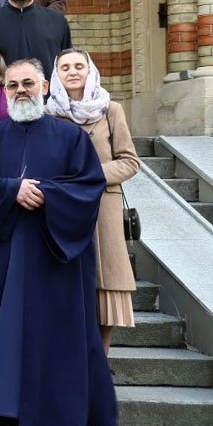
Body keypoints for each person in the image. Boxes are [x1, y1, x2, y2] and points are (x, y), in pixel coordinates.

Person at [0, 59, 114, 426]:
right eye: (12, 86)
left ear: (44, 86)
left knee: (57, 335)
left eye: (28, 83)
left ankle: (58, 415)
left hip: (56, 253)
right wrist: (12, 189)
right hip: (10, 249)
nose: (21, 91)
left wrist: (46, 193)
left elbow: (89, 185)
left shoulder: (71, 137)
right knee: (8, 330)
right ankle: (9, 411)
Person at [47, 48, 140, 351]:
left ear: (90, 71)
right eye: (65, 67)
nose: (72, 72)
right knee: (68, 283)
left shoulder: (110, 109)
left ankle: (101, 358)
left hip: (103, 207)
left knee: (105, 283)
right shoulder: (49, 113)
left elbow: (129, 161)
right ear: (56, 75)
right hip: (63, 206)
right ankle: (73, 359)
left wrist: (91, 174)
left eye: (78, 66)